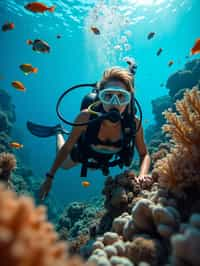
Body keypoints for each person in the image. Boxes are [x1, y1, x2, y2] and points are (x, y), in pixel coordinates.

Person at [28, 66, 151, 200]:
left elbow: (144, 154)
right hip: (84, 151)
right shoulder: (85, 117)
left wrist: (142, 175)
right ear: (100, 96)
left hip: (106, 157)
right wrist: (50, 177)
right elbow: (68, 147)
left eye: (122, 96)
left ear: (129, 100)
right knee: (65, 165)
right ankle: (58, 132)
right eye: (108, 96)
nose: (114, 103)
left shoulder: (134, 123)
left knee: (93, 167)